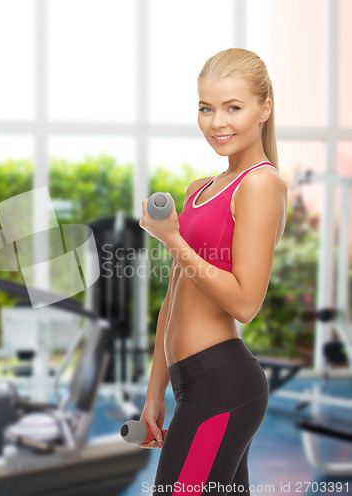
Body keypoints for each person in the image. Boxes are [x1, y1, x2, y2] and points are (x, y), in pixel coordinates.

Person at [138, 48, 287, 495]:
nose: (217, 122)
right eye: (206, 108)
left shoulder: (262, 184)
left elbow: (245, 302)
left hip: (221, 382)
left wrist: (173, 240)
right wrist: (154, 392)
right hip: (190, 383)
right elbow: (174, 299)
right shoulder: (199, 189)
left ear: (265, 108)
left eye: (232, 108)